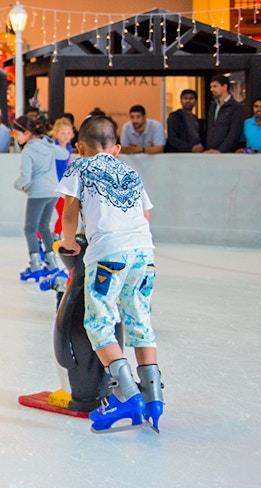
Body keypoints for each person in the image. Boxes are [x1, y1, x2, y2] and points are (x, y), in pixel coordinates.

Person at [58, 115, 162, 433]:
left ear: (80, 146)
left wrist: (68, 240)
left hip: (109, 254)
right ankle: (154, 395)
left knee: (98, 322)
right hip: (144, 252)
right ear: (115, 148)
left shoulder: (80, 166)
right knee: (139, 318)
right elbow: (145, 214)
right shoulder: (130, 171)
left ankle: (127, 393)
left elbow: (70, 208)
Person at [11, 116, 61, 281]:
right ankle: (52, 263)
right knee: (44, 226)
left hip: (38, 193)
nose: (15, 137)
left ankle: (35, 264)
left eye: (17, 134)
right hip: (53, 191)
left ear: (26, 133)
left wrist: (17, 185)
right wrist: (50, 142)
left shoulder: (28, 151)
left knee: (30, 228)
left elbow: (25, 177)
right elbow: (65, 153)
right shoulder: (47, 146)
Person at [203, 75, 244, 154]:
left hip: (226, 153)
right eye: (211, 87)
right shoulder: (213, 106)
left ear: (225, 87)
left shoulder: (235, 107)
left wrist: (221, 150)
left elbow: (234, 132)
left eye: (215, 86)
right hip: (210, 151)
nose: (212, 89)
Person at [165, 89, 203, 153]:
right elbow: (172, 138)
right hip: (179, 154)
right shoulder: (174, 117)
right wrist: (190, 148)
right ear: (181, 101)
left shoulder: (196, 119)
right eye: (185, 98)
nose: (188, 101)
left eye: (191, 98)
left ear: (195, 102)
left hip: (196, 154)